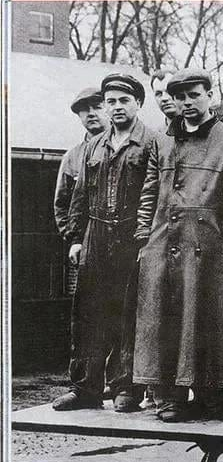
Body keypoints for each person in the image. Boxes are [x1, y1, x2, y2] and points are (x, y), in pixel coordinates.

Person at [133, 68, 223, 422]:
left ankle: (213, 394)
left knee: (210, 316)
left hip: (209, 242)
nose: (187, 103)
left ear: (210, 95)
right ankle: (169, 396)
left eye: (194, 95)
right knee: (164, 317)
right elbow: (149, 192)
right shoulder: (162, 141)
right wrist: (144, 238)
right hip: (164, 240)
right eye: (180, 97)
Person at [53, 73, 158, 412]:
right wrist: (75, 239)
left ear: (138, 103)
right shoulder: (94, 146)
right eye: (110, 101)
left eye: (123, 100)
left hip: (132, 237)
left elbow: (156, 195)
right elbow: (80, 195)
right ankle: (85, 388)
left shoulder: (152, 142)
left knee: (128, 314)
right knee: (88, 314)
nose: (116, 107)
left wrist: (146, 239)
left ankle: (126, 388)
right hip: (95, 236)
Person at [54, 88, 110, 238]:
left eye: (97, 107)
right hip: (83, 239)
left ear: (108, 110)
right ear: (79, 115)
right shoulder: (72, 156)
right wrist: (72, 237)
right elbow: (61, 203)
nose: (91, 113)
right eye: (84, 110)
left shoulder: (124, 148)